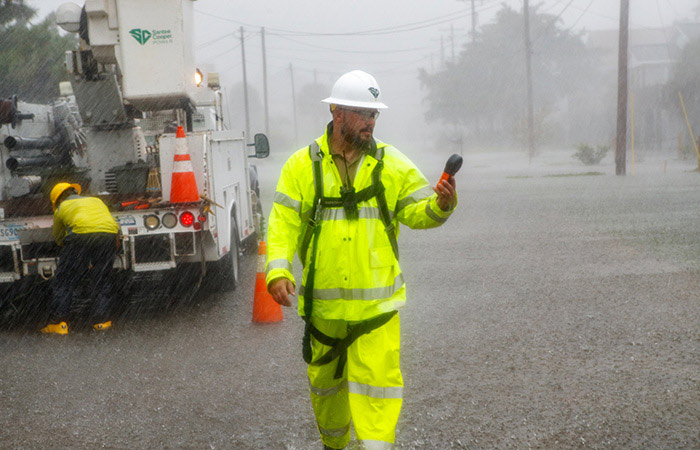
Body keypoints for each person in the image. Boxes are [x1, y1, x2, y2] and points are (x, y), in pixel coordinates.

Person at [265, 70, 457, 449]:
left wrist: (443, 205)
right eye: (363, 113)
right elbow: (282, 225)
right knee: (327, 399)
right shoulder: (300, 167)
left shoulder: (393, 164)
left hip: (377, 313)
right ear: (338, 114)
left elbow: (420, 213)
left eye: (375, 115)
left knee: (378, 397)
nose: (371, 122)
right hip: (323, 313)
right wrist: (278, 270)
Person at [40, 182, 120, 335]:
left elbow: (58, 237)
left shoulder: (62, 208)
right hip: (107, 235)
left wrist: (75, 254)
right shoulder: (96, 201)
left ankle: (59, 323)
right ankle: (102, 321)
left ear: (57, 200)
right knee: (102, 279)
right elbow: (110, 222)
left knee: (64, 281)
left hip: (79, 238)